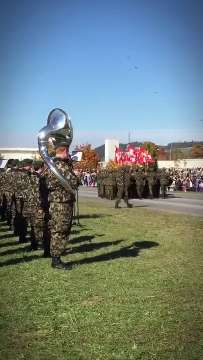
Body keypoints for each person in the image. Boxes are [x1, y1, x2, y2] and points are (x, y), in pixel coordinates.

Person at [38, 108, 79, 270]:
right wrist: (75, 173)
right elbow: (73, 183)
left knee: (55, 228)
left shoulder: (51, 165)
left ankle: (52, 254)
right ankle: (56, 259)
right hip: (61, 203)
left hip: (56, 201)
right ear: (65, 150)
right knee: (60, 230)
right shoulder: (60, 166)